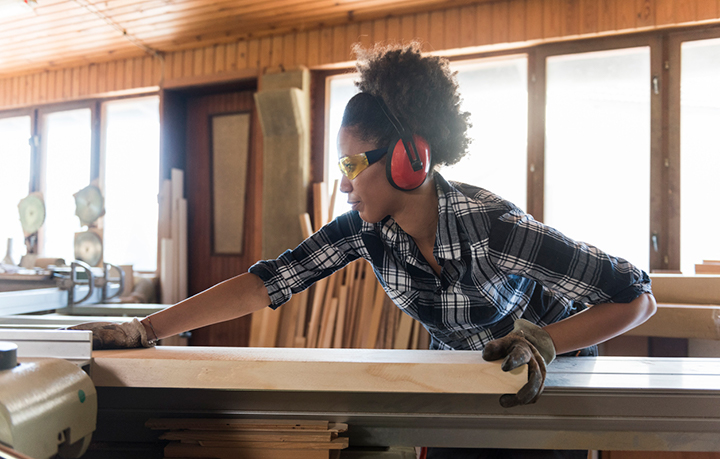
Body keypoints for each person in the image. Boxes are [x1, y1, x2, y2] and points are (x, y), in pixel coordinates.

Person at [72, 42, 657, 459]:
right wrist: (144, 330)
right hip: (469, 376)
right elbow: (266, 282)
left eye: (354, 165)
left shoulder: (495, 228)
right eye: (341, 167)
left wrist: (547, 340)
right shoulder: (364, 230)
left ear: (410, 159)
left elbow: (637, 298)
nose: (345, 183)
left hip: (552, 378)